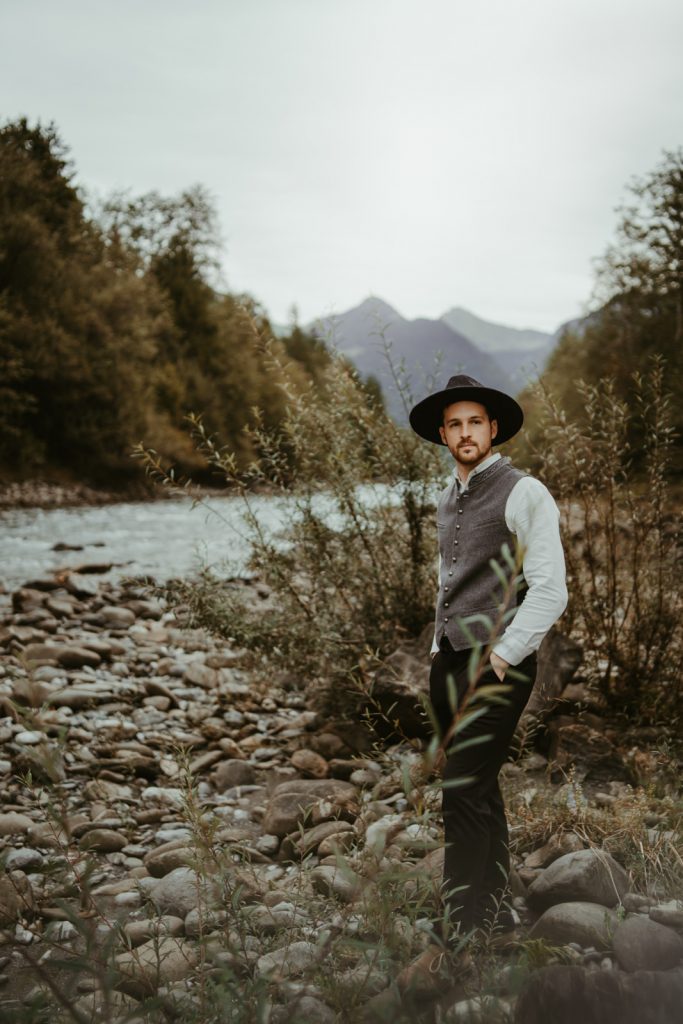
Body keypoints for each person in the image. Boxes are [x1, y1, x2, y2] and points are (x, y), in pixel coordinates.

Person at [401, 373, 568, 991]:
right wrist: (441, 652)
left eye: (475, 422)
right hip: (449, 661)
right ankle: (494, 908)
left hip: (495, 663)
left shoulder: (524, 492)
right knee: (479, 786)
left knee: (461, 794)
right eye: (454, 424)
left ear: (492, 428)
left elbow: (551, 589)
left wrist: (503, 656)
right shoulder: (448, 496)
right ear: (443, 435)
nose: (465, 432)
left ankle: (457, 936)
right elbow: (454, 580)